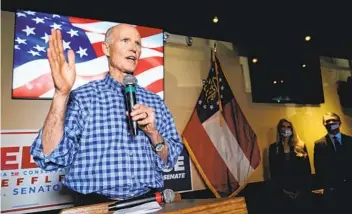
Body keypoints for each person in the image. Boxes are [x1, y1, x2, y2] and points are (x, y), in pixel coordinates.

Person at [30, 24, 183, 206]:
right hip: (95, 206)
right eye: (125, 40)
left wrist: (153, 134)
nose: (134, 48)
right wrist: (61, 94)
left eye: (138, 44)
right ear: (106, 48)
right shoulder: (82, 98)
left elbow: (170, 159)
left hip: (148, 202)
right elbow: (50, 157)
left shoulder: (155, 102)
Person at [268, 119, 312, 214]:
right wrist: (283, 191)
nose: (285, 129)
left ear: (292, 130)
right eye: (283, 126)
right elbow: (273, 172)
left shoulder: (301, 146)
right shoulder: (273, 148)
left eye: (288, 127)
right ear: (279, 130)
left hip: (301, 190)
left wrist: (300, 190)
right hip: (283, 191)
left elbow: (307, 170)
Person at [314, 112, 352, 213]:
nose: (331, 123)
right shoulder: (319, 144)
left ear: (339, 123)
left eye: (333, 120)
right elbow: (319, 168)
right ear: (324, 124)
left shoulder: (350, 141)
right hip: (331, 190)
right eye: (327, 121)